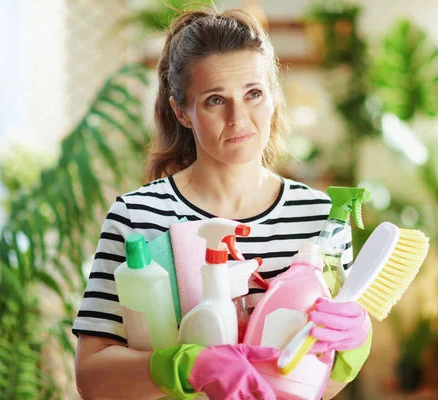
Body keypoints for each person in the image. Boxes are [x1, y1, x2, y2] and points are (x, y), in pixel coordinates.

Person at [73, 8, 371, 400]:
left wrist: (350, 349)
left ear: (273, 97)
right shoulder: (138, 216)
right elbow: (91, 378)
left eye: (253, 93)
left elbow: (317, 383)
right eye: (215, 100)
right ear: (182, 111)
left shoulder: (319, 219)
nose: (238, 118)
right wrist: (185, 366)